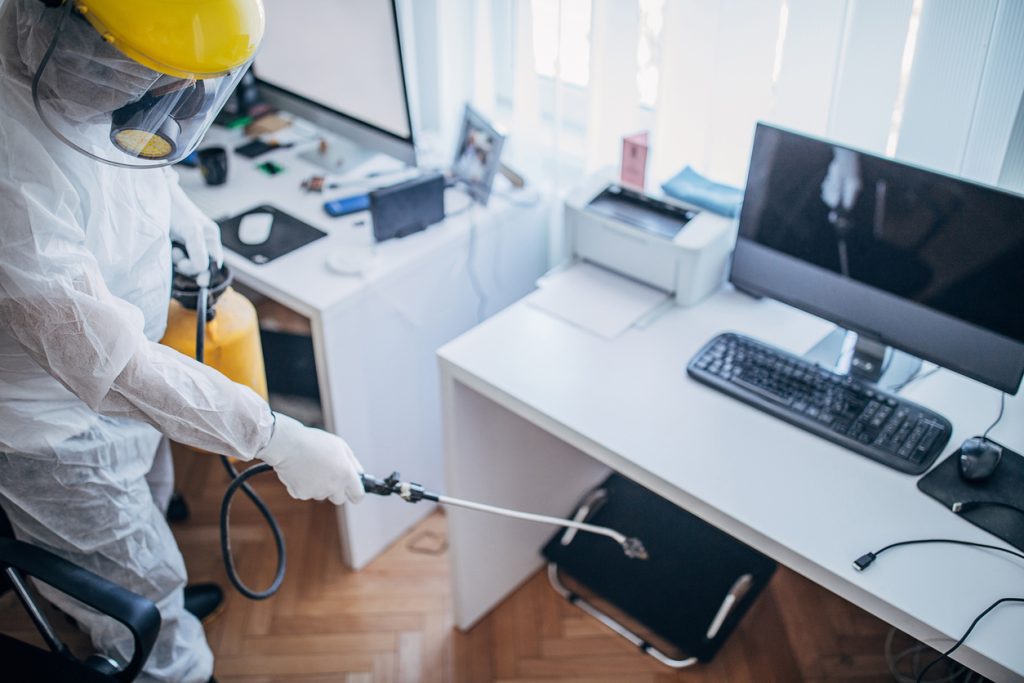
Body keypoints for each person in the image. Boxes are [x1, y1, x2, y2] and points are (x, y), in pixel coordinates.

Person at [0, 1, 365, 681]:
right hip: (54, 428)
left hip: (125, 384)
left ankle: (145, 587)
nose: (166, 98)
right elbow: (112, 366)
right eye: (148, 78)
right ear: (83, 42)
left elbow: (122, 139)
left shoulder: (78, 68)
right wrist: (273, 436)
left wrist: (180, 212)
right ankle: (159, 646)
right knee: (144, 610)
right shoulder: (10, 168)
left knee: (153, 504)